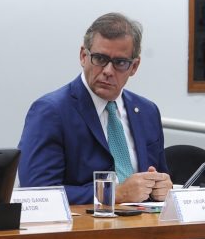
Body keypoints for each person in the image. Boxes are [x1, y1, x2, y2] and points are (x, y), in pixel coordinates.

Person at [18, 12, 172, 204]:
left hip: (145, 221)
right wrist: (113, 194)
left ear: (134, 66)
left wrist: (162, 187)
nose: (108, 71)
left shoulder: (147, 111)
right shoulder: (51, 111)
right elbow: (37, 193)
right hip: (84, 223)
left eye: (120, 63)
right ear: (83, 56)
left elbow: (158, 177)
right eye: (99, 59)